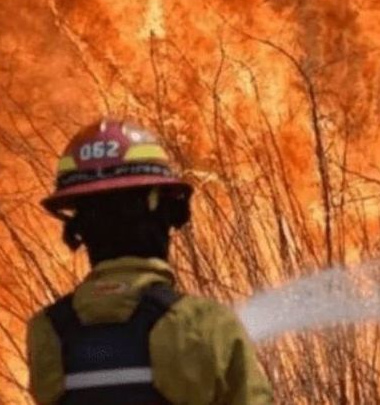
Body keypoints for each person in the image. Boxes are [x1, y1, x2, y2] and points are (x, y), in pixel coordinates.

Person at [26, 119, 273, 405]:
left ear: (78, 226)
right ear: (162, 211)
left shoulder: (47, 331)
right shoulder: (204, 324)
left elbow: (106, 356)